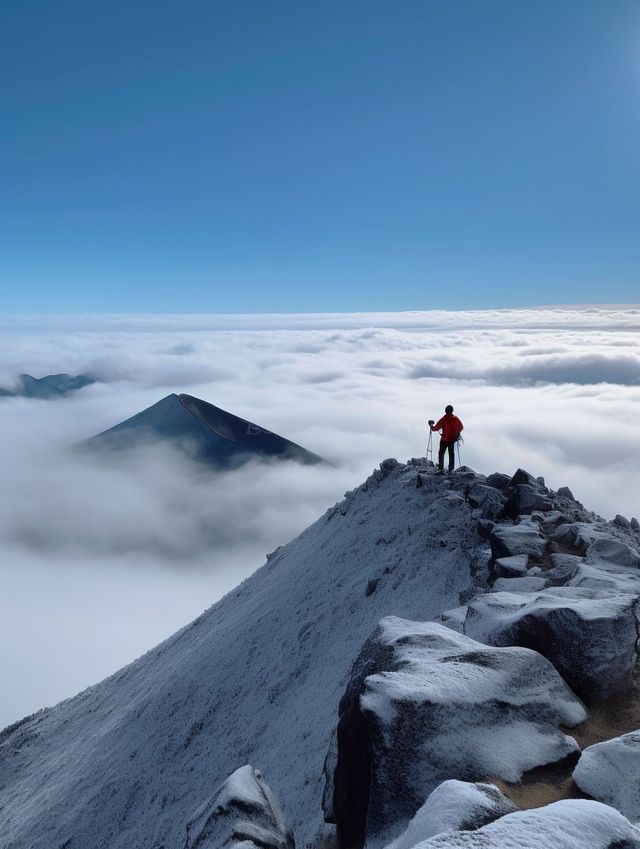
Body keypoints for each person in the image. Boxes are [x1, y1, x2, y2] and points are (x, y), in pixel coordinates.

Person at [428, 405, 464, 474]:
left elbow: (435, 428)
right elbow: (461, 427)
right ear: (452, 411)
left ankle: (441, 469)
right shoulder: (456, 419)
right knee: (451, 454)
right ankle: (451, 469)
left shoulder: (443, 419)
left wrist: (431, 425)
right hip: (452, 440)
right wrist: (457, 433)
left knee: (441, 453)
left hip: (444, 440)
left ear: (445, 411)